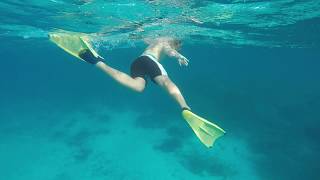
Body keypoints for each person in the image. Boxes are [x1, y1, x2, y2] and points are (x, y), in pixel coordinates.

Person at [79, 37, 191, 111]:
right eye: (179, 47)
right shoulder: (165, 42)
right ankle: (184, 106)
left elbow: (144, 39)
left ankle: (99, 63)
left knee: (138, 86)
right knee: (165, 81)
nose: (179, 49)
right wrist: (179, 56)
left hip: (137, 62)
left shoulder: (156, 40)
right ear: (175, 43)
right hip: (149, 60)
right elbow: (169, 51)